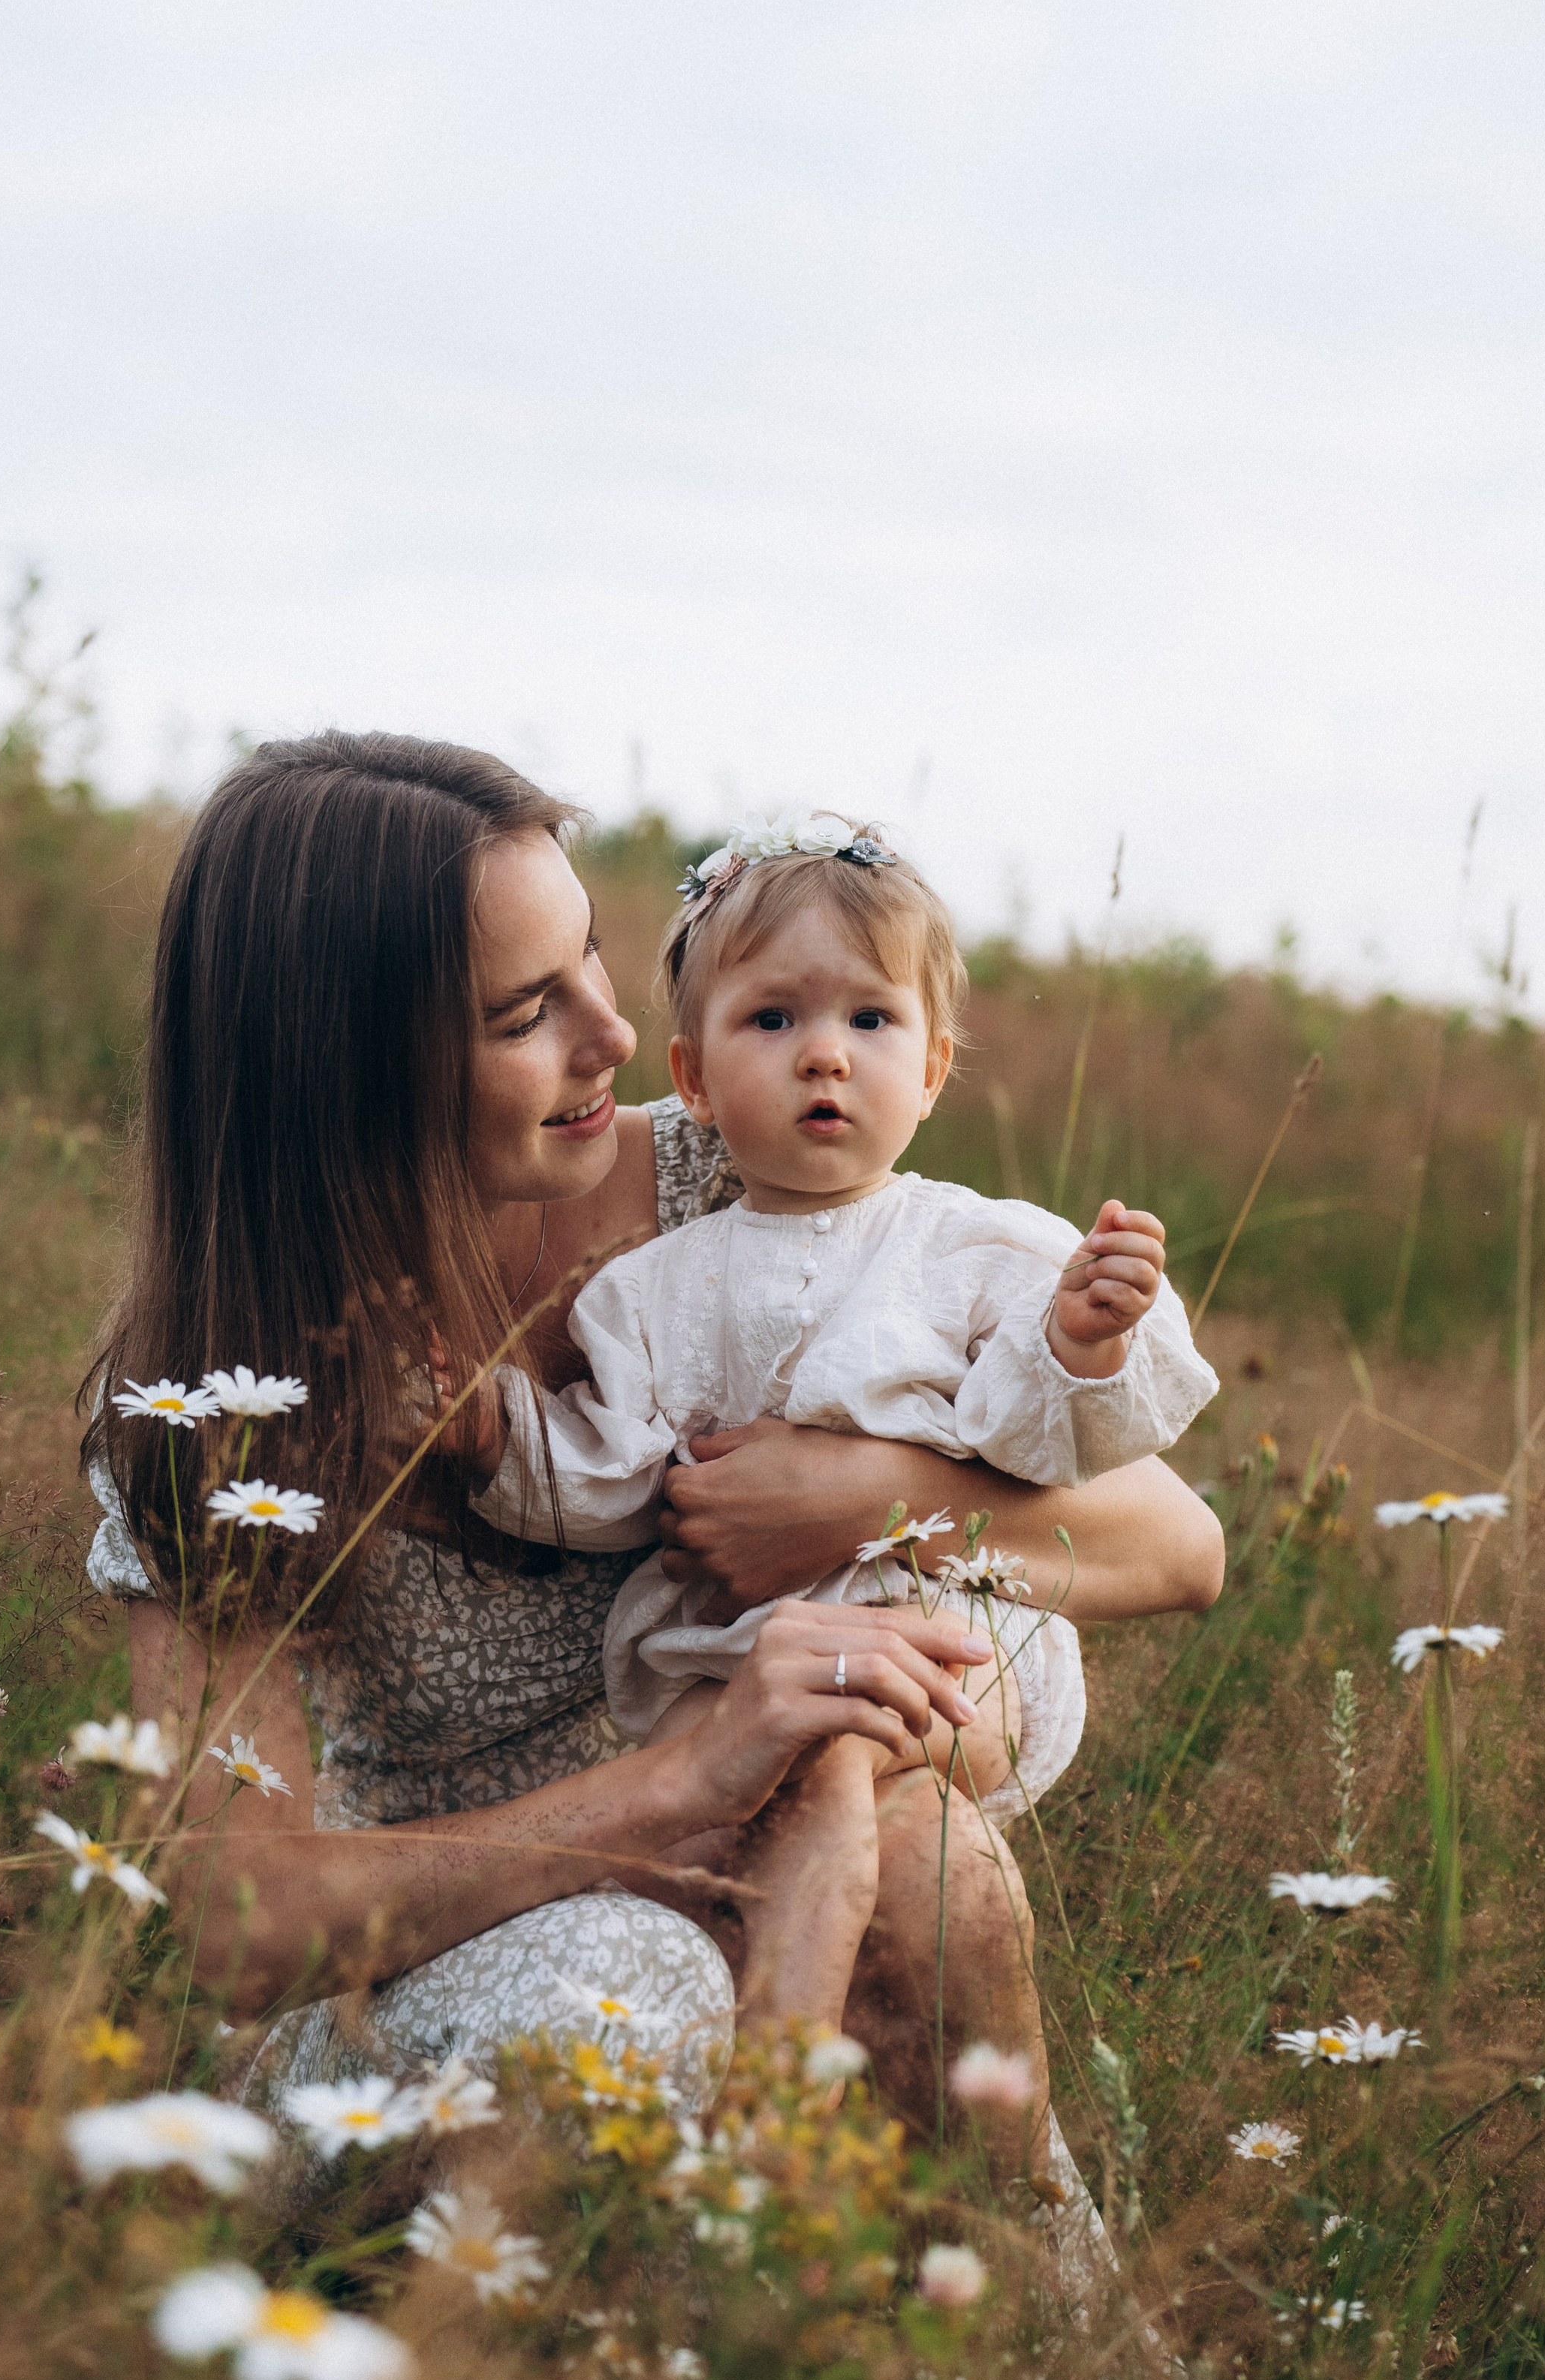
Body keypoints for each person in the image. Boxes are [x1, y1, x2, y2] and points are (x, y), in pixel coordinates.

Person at [82, 731, 1224, 2227]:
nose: (611, 1036)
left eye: (595, 961)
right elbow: (246, 1928)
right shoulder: (214, 1399)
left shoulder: (740, 1180)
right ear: (353, 1067)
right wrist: (682, 1780)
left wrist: (852, 1492)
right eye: (522, 1013)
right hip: (428, 1982)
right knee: (631, 1984)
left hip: (772, 1844)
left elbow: (1172, 1544)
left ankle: (990, 2350)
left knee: (924, 1866)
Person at [470, 809, 1217, 2042]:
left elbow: (1041, 1438)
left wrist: (1081, 1341)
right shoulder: (652, 1288)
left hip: (954, 1640)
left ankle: (785, 2064)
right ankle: (818, 2125)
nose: (826, 1056)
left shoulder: (978, 1248)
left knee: (827, 1753)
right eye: (774, 1020)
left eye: (870, 1021)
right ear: (696, 1079)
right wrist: (495, 1439)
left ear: (930, 1072)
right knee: (725, 1822)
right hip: (735, 1663)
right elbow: (611, 1483)